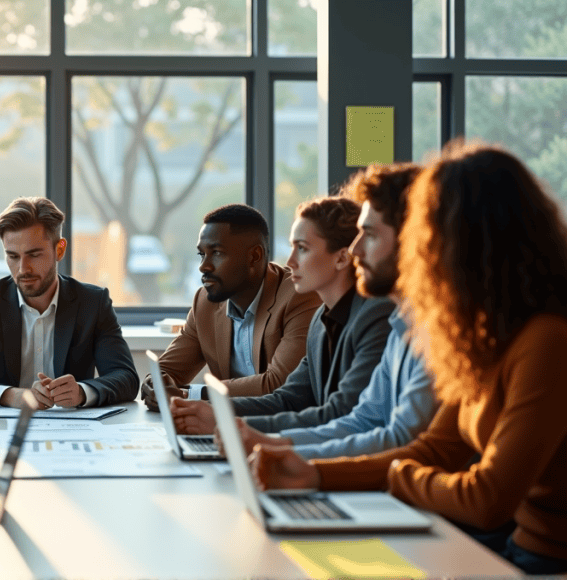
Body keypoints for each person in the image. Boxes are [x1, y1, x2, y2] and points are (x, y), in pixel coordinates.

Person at [248, 141, 567, 574]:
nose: (357, 251)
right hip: (512, 551)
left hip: (539, 560)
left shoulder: (546, 340)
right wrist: (314, 474)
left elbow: (486, 499)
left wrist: (396, 475)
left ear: (462, 243)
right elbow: (436, 448)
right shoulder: (483, 337)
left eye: (423, 237)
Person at [234, 163, 437, 459]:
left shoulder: (383, 317)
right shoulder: (396, 323)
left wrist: (300, 463)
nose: (356, 250)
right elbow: (362, 419)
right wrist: (268, 441)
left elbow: (399, 438)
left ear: (413, 241)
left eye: (369, 234)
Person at [171, 196, 394, 435]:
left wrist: (225, 423)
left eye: (303, 249)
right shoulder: (321, 319)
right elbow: (286, 399)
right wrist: (210, 410)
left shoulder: (375, 317)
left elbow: (339, 414)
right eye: (292, 247)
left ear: (341, 258)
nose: (291, 262)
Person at [0, 197, 138, 409]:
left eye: (34, 255)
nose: (23, 269)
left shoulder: (92, 303)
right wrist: (9, 395)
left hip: (72, 429)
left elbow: (126, 378)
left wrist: (81, 392)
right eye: (13, 256)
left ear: (59, 250)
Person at [141, 204, 321, 410]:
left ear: (254, 256)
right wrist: (154, 386)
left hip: (283, 429)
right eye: (202, 254)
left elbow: (280, 384)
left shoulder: (299, 295)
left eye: (216, 253)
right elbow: (167, 371)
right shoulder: (205, 303)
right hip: (225, 427)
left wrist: (191, 394)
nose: (203, 266)